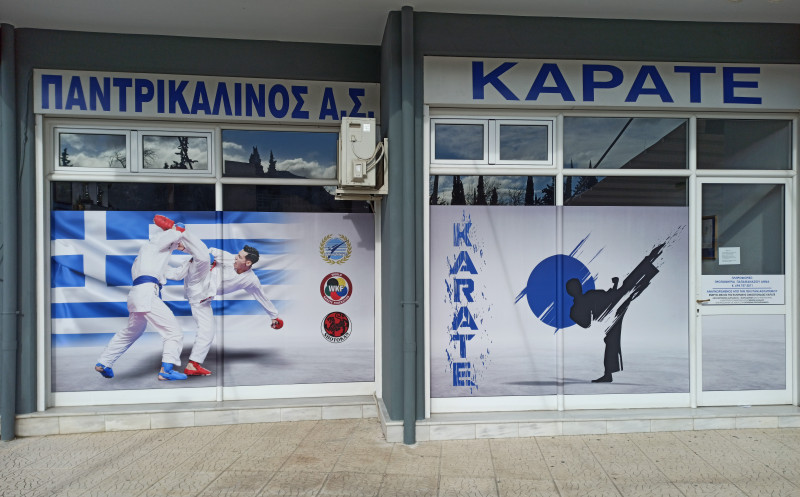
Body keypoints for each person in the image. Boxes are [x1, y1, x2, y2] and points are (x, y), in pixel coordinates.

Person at [158, 215, 283, 376]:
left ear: (248, 263)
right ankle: (178, 231)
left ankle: (193, 365)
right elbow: (206, 252)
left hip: (200, 297)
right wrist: (187, 249)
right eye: (237, 254)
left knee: (208, 331)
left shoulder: (251, 280)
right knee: (203, 257)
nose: (235, 257)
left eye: (239, 257)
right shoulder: (229, 258)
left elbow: (261, 297)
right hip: (198, 276)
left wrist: (274, 316)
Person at [95, 216, 187, 381]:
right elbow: (174, 233)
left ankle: (104, 362)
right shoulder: (154, 244)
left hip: (137, 295)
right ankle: (166, 370)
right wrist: (176, 228)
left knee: (132, 331)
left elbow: (176, 274)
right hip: (146, 293)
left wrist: (190, 260)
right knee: (173, 332)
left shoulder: (149, 259)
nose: (175, 246)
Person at [566, 243, 664, 383]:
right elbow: (586, 323)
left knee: (630, 285)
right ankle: (608, 374)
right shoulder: (575, 309)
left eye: (578, 285)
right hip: (610, 316)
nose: (578, 288)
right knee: (611, 340)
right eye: (575, 287)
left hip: (615, 306)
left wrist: (615, 285)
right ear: (572, 291)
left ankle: (652, 259)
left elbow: (607, 296)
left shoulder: (589, 295)